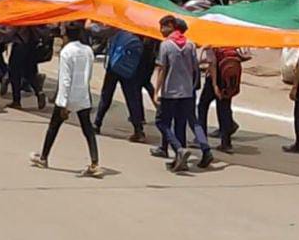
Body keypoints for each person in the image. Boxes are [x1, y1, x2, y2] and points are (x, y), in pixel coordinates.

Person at [31, 22, 101, 176]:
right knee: (87, 129)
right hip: (83, 95)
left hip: (68, 97)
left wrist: (63, 103)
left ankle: (43, 157)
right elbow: (88, 74)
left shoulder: (66, 52)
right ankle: (95, 162)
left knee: (53, 127)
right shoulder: (88, 50)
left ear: (65, 36)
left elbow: (65, 80)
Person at [150, 16, 213, 173]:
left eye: (162, 27)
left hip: (170, 91)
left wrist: (156, 91)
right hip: (187, 91)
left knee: (162, 122)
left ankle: (178, 149)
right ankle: (187, 156)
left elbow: (162, 69)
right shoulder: (190, 45)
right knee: (183, 123)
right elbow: (194, 68)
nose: (161, 30)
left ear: (171, 26)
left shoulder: (165, 45)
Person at [94, 26, 148, 143]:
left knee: (106, 95)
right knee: (132, 99)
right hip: (129, 70)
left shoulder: (118, 29)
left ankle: (97, 124)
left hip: (114, 67)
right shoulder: (141, 35)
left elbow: (97, 31)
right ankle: (138, 130)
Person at [199, 47, 244, 153]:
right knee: (224, 109)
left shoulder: (212, 43)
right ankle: (226, 143)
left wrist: (214, 85)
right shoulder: (228, 42)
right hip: (227, 79)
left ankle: (201, 139)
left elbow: (213, 64)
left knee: (202, 106)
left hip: (215, 79)